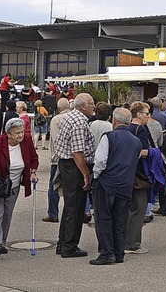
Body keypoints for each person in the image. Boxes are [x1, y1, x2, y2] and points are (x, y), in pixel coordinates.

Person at [89, 108, 142, 265]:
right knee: (120, 221)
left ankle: (107, 253)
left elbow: (99, 162)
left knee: (104, 219)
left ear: (114, 121)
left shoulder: (109, 137)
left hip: (107, 183)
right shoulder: (136, 141)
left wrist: (96, 177)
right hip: (125, 185)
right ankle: (119, 252)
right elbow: (136, 160)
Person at [0, 118, 39, 258]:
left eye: (21, 132)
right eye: (17, 133)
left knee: (7, 214)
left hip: (13, 185)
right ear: (8, 133)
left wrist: (33, 172)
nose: (20, 135)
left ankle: (2, 241)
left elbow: (33, 158)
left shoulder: (26, 140)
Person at [53, 93, 95, 258]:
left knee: (71, 206)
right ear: (83, 106)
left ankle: (63, 243)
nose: (94, 106)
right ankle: (69, 246)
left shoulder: (70, 117)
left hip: (67, 164)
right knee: (75, 207)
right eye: (91, 103)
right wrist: (85, 173)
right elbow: (77, 152)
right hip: (74, 166)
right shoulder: (78, 121)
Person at [125, 102, 152, 254]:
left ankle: (126, 240)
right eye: (147, 114)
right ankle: (133, 244)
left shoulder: (126, 127)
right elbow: (143, 151)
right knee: (139, 208)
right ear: (139, 114)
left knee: (128, 208)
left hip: (126, 173)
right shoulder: (140, 130)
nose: (149, 117)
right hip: (139, 174)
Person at [42, 98, 70, 223]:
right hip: (73, 157)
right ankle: (83, 211)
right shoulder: (75, 117)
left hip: (58, 159)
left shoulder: (56, 119)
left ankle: (53, 213)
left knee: (53, 187)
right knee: (75, 186)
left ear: (58, 109)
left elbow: (56, 139)